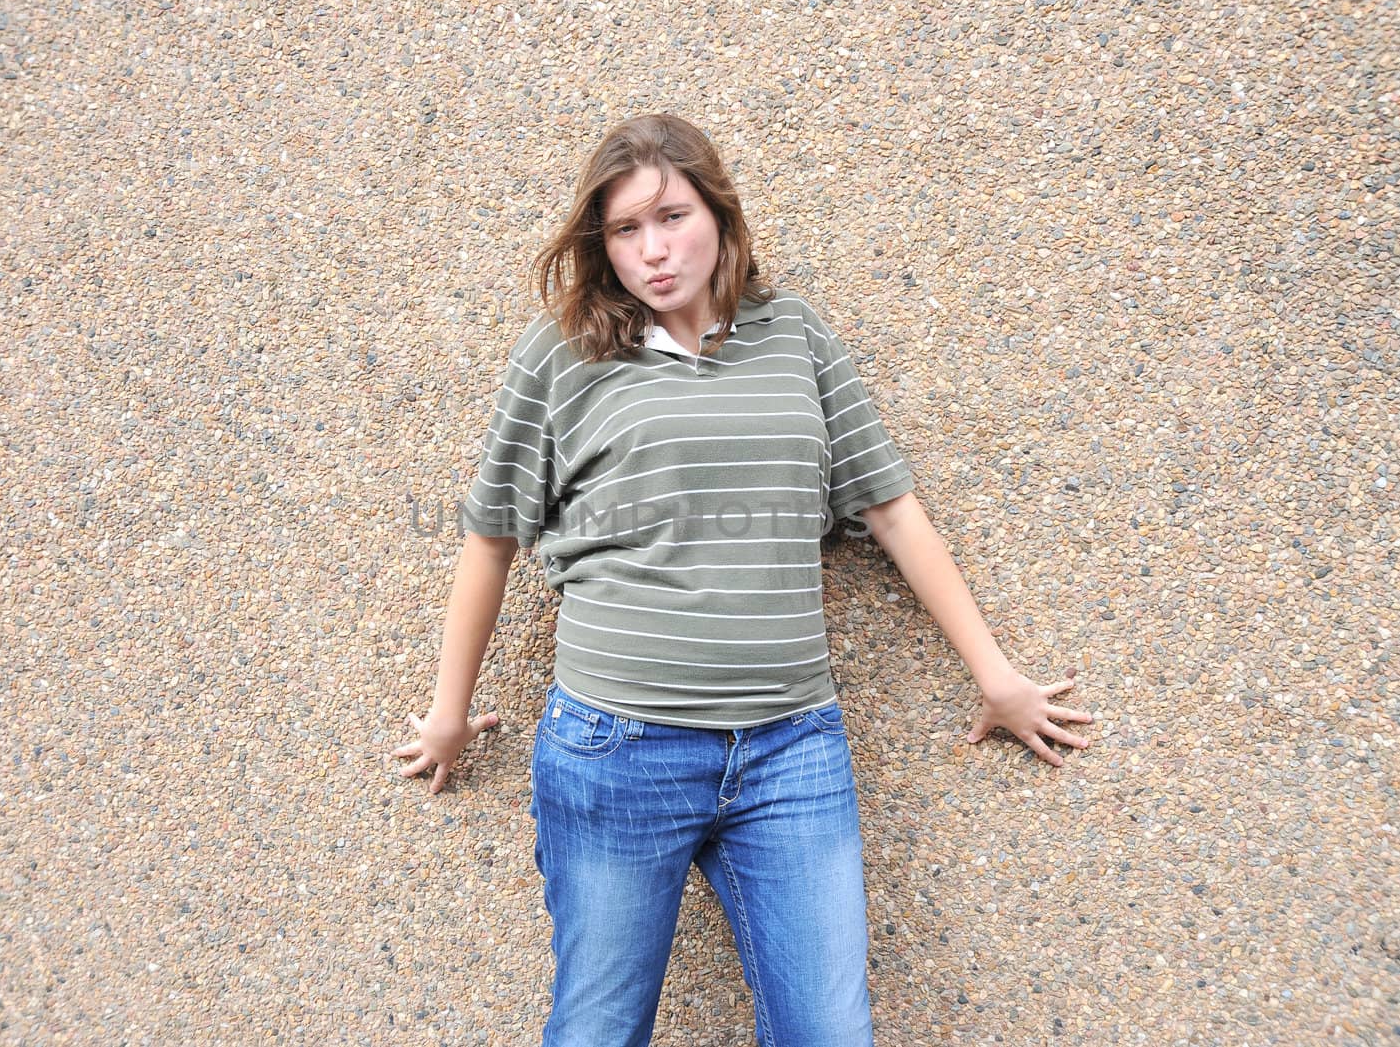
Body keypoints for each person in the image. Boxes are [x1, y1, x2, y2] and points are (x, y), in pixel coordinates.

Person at [393, 113, 1094, 1047]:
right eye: (624, 231)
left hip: (791, 751)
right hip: (618, 746)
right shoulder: (564, 353)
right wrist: (450, 709)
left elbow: (889, 507)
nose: (653, 250)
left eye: (672, 216)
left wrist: (996, 674)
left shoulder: (791, 331)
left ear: (719, 212)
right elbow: (489, 539)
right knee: (600, 1029)